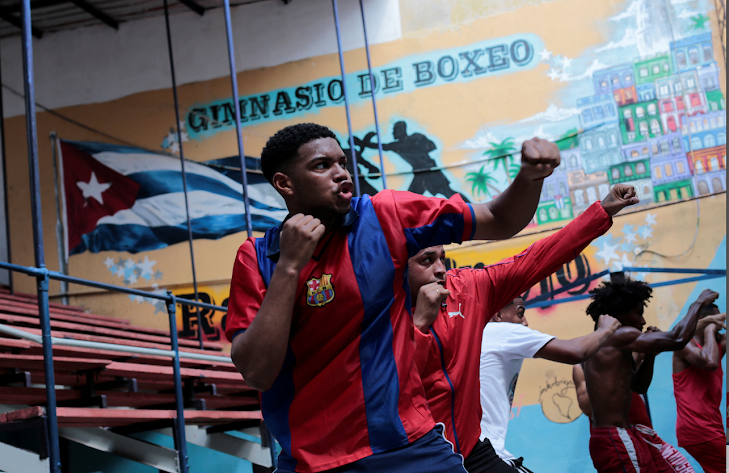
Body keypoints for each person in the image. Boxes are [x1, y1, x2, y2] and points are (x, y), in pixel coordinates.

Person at [225, 123, 560, 473]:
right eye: (322, 166)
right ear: (284, 183)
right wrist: (289, 268)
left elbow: (498, 219)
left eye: (342, 162)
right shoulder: (257, 257)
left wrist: (530, 177)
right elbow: (257, 373)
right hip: (312, 463)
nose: (341, 173)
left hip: (409, 447)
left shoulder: (384, 216)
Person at [409, 183, 639, 473]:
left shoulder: (465, 289)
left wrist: (601, 212)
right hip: (420, 458)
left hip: (471, 448)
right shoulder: (380, 313)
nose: (441, 269)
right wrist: (419, 326)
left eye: (443, 257)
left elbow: (536, 259)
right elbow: (395, 392)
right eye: (427, 260)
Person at [582, 277, 719, 473]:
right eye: (639, 313)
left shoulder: (607, 342)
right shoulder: (619, 336)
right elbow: (677, 338)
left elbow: (638, 386)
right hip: (616, 438)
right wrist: (698, 303)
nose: (643, 321)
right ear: (621, 313)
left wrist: (650, 356)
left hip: (624, 436)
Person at [478, 299, 621, 472]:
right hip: (485, 452)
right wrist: (606, 329)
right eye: (520, 313)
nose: (525, 322)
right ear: (498, 314)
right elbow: (576, 351)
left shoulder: (477, 336)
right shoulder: (501, 331)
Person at [573, 353, 696, 472]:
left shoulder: (628, 354)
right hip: (621, 438)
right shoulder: (584, 365)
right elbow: (587, 409)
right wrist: (602, 376)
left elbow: (668, 341)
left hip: (647, 436)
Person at [672, 301, 726, 473]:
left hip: (711, 427)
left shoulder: (716, 347)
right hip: (699, 429)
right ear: (703, 320)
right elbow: (709, 362)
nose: (719, 327)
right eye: (715, 321)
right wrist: (709, 328)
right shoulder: (684, 346)